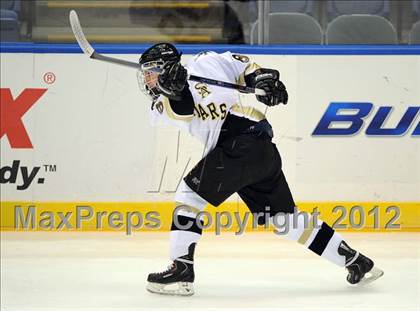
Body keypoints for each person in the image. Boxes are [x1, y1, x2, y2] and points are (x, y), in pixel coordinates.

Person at [137, 43, 383, 296]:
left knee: (189, 196)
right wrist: (176, 92)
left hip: (244, 142)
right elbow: (183, 109)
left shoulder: (206, 61)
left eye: (149, 71)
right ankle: (355, 261)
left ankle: (181, 270)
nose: (146, 79)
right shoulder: (161, 103)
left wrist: (263, 81)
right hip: (257, 151)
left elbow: (245, 67)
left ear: (165, 66)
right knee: (285, 219)